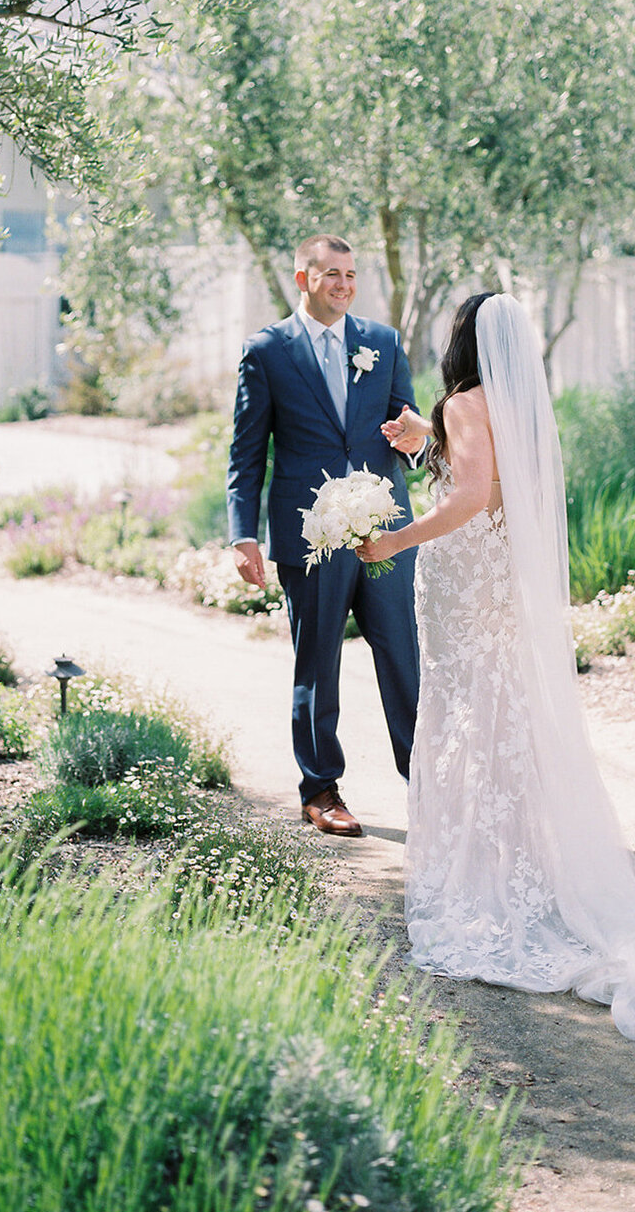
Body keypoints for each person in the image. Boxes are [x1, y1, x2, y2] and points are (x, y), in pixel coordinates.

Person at [357, 292, 635, 1044]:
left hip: (464, 586)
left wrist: (395, 541)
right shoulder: (516, 405)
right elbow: (497, 480)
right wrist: (426, 436)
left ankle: (481, 881)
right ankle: (525, 870)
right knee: (500, 715)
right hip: (498, 589)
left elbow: (467, 495)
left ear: (460, 342)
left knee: (467, 718)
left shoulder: (466, 400)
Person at [228, 234, 423, 837]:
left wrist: (414, 441)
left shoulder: (384, 343)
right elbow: (247, 451)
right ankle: (321, 790)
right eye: (331, 273)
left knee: (402, 655)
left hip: (384, 528)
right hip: (308, 532)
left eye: (351, 274)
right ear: (303, 277)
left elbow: (408, 428)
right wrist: (243, 534)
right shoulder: (267, 350)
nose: (343, 284)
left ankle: (428, 783)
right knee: (316, 661)